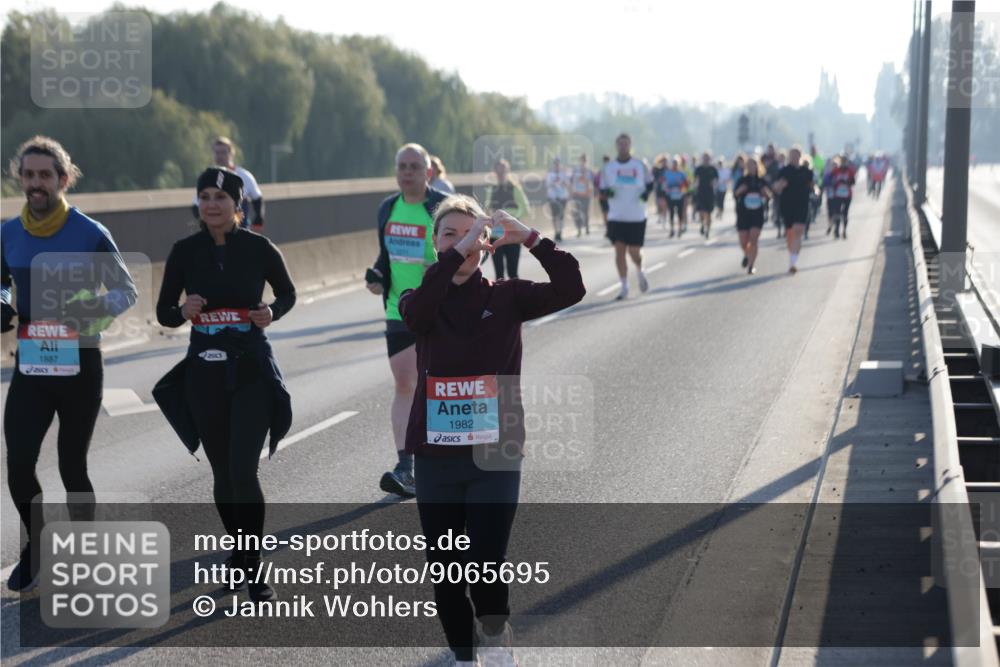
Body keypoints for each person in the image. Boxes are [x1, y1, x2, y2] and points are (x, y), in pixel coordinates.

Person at [398, 194, 585, 666]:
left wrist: (534, 240)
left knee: (485, 562)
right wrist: (457, 253)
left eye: (470, 235)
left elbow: (571, 288)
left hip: (495, 453)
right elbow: (418, 316)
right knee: (445, 569)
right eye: (449, 234)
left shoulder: (507, 296)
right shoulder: (417, 300)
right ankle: (464, 657)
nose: (460, 243)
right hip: (436, 456)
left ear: (486, 245)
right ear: (435, 243)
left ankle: (496, 631)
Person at [2, 136, 138, 591]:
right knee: (19, 463)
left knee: (71, 467)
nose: (36, 183)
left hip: (79, 365)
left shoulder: (89, 232)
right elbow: (0, 283)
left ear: (63, 179)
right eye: (28, 175)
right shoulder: (7, 233)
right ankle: (37, 542)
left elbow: (126, 290)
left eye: (45, 175)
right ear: (19, 179)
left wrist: (89, 312)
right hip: (32, 366)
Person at [154, 167, 295, 601]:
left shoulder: (259, 248)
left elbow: (287, 294)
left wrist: (271, 312)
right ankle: (239, 549)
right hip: (204, 373)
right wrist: (184, 310)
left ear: (238, 204)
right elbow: (163, 312)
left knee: (242, 470)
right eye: (205, 196)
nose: (212, 204)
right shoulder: (184, 251)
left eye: (220, 196)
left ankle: (252, 567)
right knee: (220, 474)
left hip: (250, 369)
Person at [365, 143, 448, 498]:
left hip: (442, 311)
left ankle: (448, 458)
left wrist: (442, 268)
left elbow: (471, 253)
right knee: (404, 385)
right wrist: (377, 273)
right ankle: (406, 467)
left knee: (439, 385)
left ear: (428, 172)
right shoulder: (388, 208)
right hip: (399, 310)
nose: (408, 172)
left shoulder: (441, 207)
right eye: (403, 166)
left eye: (415, 166)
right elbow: (387, 256)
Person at [600, 133, 654, 300]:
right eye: (620, 144)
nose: (623, 147)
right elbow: (602, 189)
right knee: (619, 251)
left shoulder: (640, 165)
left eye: (626, 144)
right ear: (616, 146)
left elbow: (650, 183)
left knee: (634, 252)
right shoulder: (609, 168)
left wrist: (645, 195)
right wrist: (608, 192)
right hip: (616, 216)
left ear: (630, 145)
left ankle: (640, 269)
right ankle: (624, 286)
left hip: (636, 216)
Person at [190, 137, 265, 230]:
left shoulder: (244, 176)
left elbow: (257, 199)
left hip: (241, 231)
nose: (220, 156)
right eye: (217, 153)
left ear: (231, 154)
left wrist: (259, 219)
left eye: (223, 152)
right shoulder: (207, 178)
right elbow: (195, 206)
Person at [482, 158, 530, 280]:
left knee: (513, 273)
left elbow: (525, 209)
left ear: (507, 171)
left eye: (503, 171)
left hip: (513, 234)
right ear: (495, 172)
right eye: (498, 171)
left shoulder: (515, 188)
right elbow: (487, 210)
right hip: (496, 235)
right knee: (499, 275)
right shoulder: (491, 189)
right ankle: (500, 299)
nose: (500, 173)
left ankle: (516, 298)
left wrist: (507, 214)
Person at [771, 146, 814, 274]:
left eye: (796, 155)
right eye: (792, 156)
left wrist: (815, 190)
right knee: (790, 234)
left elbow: (812, 186)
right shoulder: (784, 171)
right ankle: (792, 255)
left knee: (798, 231)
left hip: (802, 204)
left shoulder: (807, 171)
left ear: (800, 157)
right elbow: (776, 188)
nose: (794, 158)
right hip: (787, 205)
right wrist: (780, 185)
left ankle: (792, 262)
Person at [733, 155, 771, 275]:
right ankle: (747, 254)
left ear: (757, 166)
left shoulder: (761, 181)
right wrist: (740, 191)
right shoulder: (742, 180)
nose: (750, 167)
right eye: (748, 165)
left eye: (753, 165)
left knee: (753, 240)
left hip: (757, 213)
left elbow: (769, 195)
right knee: (743, 241)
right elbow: (735, 195)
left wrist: (765, 194)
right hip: (743, 213)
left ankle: (751, 265)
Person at [828, 155, 856, 239]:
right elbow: (830, 179)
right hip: (837, 195)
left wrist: (846, 182)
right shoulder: (836, 170)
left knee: (845, 213)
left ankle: (844, 231)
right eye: (842, 161)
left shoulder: (850, 171)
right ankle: (836, 230)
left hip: (847, 195)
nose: (844, 163)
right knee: (837, 213)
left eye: (845, 161)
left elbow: (853, 182)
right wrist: (836, 183)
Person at [693, 152, 719, 238]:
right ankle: (702, 224)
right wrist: (695, 189)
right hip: (700, 192)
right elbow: (696, 180)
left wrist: (714, 184)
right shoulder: (698, 169)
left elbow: (716, 180)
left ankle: (707, 229)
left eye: (707, 158)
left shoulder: (713, 169)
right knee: (701, 211)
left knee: (708, 213)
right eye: (705, 158)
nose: (706, 160)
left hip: (710, 193)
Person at [662, 157, 689, 237]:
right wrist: (666, 189)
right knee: (671, 213)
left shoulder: (682, 174)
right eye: (673, 164)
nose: (674, 165)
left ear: (678, 165)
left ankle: (680, 229)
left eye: (676, 164)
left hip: (679, 196)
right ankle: (672, 229)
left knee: (680, 213)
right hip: (670, 196)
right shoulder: (667, 173)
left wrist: (682, 190)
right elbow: (662, 182)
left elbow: (687, 185)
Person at [569, 153, 594, 237]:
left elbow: (591, 182)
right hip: (577, 194)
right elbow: (572, 181)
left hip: (586, 194)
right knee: (578, 212)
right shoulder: (575, 170)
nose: (583, 162)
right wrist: (572, 192)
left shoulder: (589, 171)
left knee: (585, 212)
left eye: (585, 160)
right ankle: (579, 229)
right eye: (582, 160)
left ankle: (586, 227)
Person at [544, 158, 569, 242]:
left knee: (561, 216)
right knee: (555, 216)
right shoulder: (550, 174)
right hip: (553, 197)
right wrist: (553, 183)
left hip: (562, 197)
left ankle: (560, 232)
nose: (557, 166)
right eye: (556, 164)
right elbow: (547, 185)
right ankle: (556, 232)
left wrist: (562, 182)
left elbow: (568, 184)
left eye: (558, 164)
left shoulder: (564, 173)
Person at [652, 154, 669, 230]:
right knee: (660, 204)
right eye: (663, 161)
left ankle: (664, 220)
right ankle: (660, 216)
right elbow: (654, 179)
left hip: (667, 190)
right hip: (659, 189)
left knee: (665, 205)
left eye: (665, 161)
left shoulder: (669, 169)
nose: (664, 163)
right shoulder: (657, 169)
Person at [595, 155, 611, 225]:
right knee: (606, 210)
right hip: (607, 191)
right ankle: (608, 225)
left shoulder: (601, 170)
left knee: (605, 210)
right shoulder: (611, 170)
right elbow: (596, 182)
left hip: (605, 191)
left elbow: (595, 182)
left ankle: (607, 226)